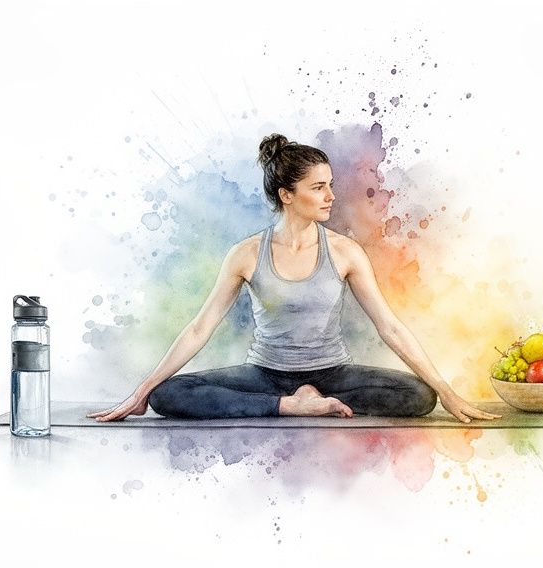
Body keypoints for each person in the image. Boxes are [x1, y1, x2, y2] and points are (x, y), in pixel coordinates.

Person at [87, 134, 501, 424]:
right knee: (166, 394)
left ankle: (314, 397)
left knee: (421, 396)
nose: (330, 196)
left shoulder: (344, 251)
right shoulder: (246, 254)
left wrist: (446, 390)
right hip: (265, 375)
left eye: (330, 185)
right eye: (318, 188)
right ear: (287, 195)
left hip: (333, 372)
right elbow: (200, 329)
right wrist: (141, 390)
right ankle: (290, 405)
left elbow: (389, 326)